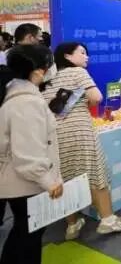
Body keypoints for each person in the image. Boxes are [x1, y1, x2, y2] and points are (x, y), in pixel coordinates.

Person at [43, 42, 121, 239]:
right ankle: (108, 220)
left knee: (65, 178)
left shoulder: (47, 77)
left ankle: (72, 225)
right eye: (82, 53)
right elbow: (96, 97)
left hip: (55, 136)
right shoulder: (78, 72)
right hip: (80, 132)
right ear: (67, 56)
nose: (86, 57)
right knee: (95, 173)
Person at [0, 45, 62, 264]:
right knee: (27, 235)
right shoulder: (26, 102)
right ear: (37, 71)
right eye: (48, 65)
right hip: (26, 184)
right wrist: (48, 181)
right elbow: (27, 152)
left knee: (26, 231)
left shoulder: (18, 95)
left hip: (21, 181)